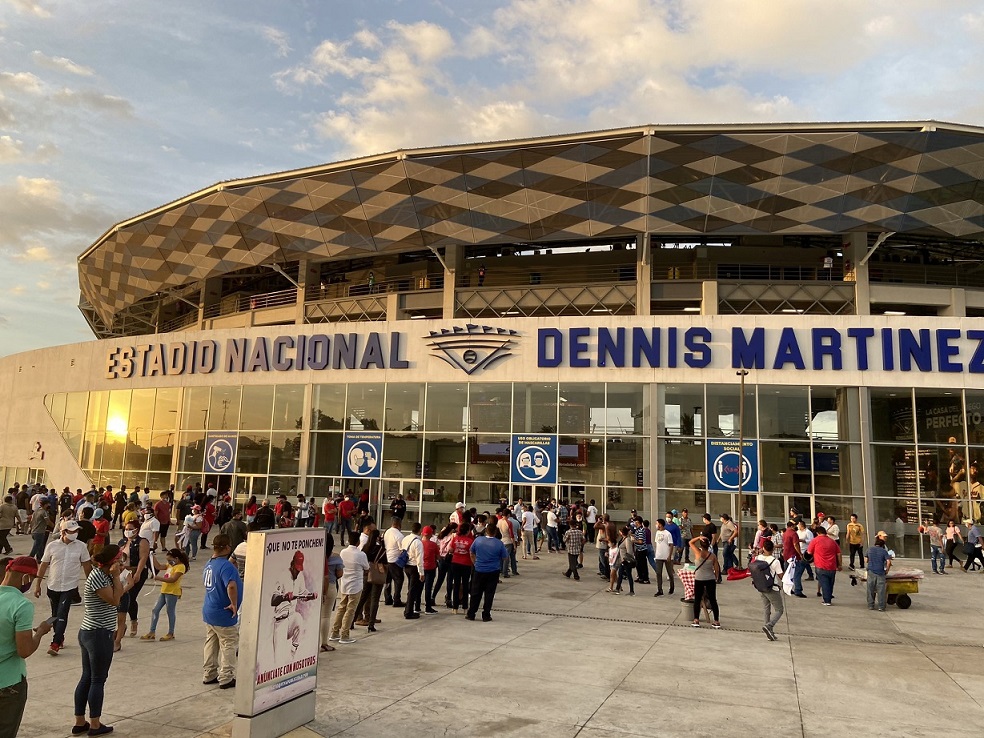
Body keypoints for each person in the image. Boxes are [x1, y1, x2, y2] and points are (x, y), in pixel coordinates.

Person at [73, 544, 126, 736]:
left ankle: (80, 721)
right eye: (119, 559)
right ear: (112, 561)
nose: (121, 562)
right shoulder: (98, 577)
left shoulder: (103, 576)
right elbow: (114, 601)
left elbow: (118, 595)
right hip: (98, 633)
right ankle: (95, 724)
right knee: (97, 679)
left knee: (87, 677)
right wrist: (117, 577)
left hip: (91, 631)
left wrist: (119, 580)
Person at [0, 556, 52, 738]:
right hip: (8, 683)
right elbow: (24, 650)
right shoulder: (21, 605)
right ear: (26, 578)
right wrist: (40, 633)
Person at [34, 519, 92, 656]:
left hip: (69, 586)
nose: (75, 533)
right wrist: (37, 584)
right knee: (56, 614)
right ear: (63, 532)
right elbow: (43, 565)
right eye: (72, 531)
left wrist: (91, 585)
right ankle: (59, 635)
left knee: (62, 614)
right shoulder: (52, 546)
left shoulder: (81, 547)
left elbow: (87, 566)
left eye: (77, 531)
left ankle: (55, 643)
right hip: (53, 585)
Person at [202, 535, 242, 689]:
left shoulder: (209, 564)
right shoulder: (226, 566)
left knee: (211, 642)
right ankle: (226, 676)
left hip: (210, 609)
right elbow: (231, 586)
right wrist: (233, 603)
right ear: (227, 548)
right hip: (223, 612)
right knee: (228, 643)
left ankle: (209, 673)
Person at [329, 531, 368, 645]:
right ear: (358, 542)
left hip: (344, 583)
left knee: (341, 608)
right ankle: (344, 635)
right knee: (350, 610)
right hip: (355, 585)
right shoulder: (361, 554)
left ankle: (334, 632)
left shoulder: (343, 552)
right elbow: (366, 567)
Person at [141, 548, 188, 641]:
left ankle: (171, 632)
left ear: (177, 558)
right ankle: (152, 631)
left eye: (170, 560)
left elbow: (173, 579)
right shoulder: (170, 565)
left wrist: (159, 578)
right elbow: (158, 566)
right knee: (155, 610)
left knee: (170, 611)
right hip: (164, 590)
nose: (169, 562)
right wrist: (152, 556)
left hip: (172, 592)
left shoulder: (180, 567)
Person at [466, 522, 508, 621]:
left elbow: (471, 553)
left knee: (476, 592)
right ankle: (486, 614)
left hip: (479, 569)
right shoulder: (499, 543)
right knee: (489, 594)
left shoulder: (478, 540)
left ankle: (471, 613)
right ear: (495, 532)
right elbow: (505, 557)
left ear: (486, 531)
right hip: (493, 570)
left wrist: (475, 563)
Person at [352, 528, 385, 631]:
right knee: (374, 599)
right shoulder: (381, 549)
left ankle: (352, 621)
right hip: (377, 575)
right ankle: (371, 624)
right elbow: (385, 563)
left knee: (362, 598)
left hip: (366, 574)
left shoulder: (365, 548)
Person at [753, 539, 784, 640]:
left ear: (763, 548)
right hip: (772, 588)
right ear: (773, 548)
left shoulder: (758, 558)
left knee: (766, 609)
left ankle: (769, 632)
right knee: (779, 610)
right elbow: (781, 576)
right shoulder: (775, 561)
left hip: (761, 586)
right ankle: (769, 626)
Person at [689, 537, 721, 628]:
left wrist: (699, 537)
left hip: (699, 578)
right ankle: (716, 620)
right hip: (710, 579)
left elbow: (690, 542)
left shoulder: (698, 553)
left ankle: (696, 619)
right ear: (708, 545)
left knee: (697, 600)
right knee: (713, 599)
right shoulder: (713, 556)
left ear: (701, 545)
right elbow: (716, 568)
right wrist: (716, 577)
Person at [806, 526, 841, 605]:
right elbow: (838, 554)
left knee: (824, 583)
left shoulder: (815, 540)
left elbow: (809, 552)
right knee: (830, 583)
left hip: (820, 565)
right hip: (832, 566)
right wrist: (839, 565)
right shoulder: (832, 541)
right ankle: (829, 596)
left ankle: (827, 600)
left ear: (817, 533)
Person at [449, 521, 475, 614]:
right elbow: (472, 553)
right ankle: (465, 607)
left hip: (455, 563)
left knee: (456, 585)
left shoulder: (455, 538)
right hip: (466, 564)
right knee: (465, 585)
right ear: (468, 531)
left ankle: (455, 607)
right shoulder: (470, 541)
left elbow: (450, 550)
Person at [866, 531, 892, 611]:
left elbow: (866, 560)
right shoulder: (884, 551)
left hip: (871, 571)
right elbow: (889, 562)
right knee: (881, 590)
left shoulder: (869, 549)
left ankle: (871, 605)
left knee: (870, 589)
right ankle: (881, 606)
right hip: (880, 572)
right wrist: (887, 570)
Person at [382, 518, 405, 607]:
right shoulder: (399, 535)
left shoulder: (387, 532)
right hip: (395, 560)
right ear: (399, 524)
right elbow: (401, 549)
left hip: (387, 558)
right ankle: (397, 599)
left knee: (388, 580)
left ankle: (387, 598)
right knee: (399, 580)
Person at [651, 518, 674, 596]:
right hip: (658, 556)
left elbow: (671, 545)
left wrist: (669, 555)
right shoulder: (657, 533)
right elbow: (657, 544)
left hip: (666, 556)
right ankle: (659, 589)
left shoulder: (667, 533)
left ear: (660, 524)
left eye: (657, 523)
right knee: (658, 573)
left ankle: (672, 587)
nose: (656, 525)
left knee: (669, 573)